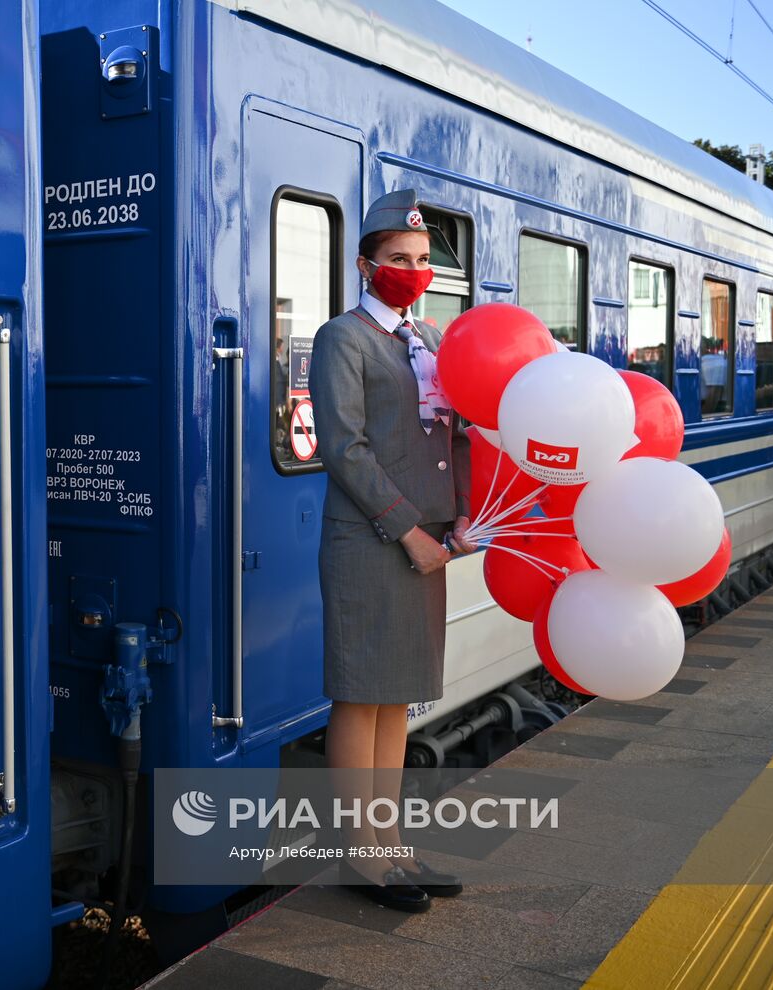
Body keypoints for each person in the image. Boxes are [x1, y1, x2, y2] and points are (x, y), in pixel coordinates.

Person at [308, 188, 473, 911]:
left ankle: (392, 846)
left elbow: (453, 436)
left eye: (421, 259)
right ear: (365, 264)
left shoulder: (431, 342)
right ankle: (362, 858)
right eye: (398, 259)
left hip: (426, 541)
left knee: (396, 698)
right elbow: (345, 448)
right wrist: (409, 529)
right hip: (373, 541)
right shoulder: (343, 338)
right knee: (361, 694)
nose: (412, 269)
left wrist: (462, 518)